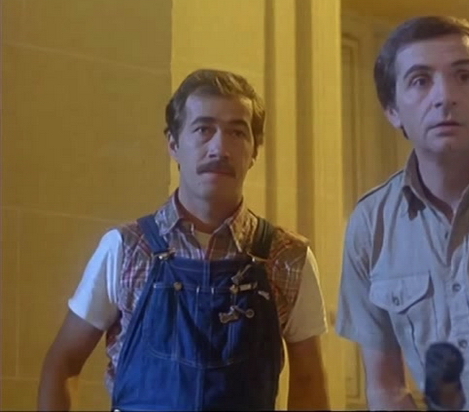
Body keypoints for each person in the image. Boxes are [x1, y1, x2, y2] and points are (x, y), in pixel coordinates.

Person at [38, 69, 331, 411]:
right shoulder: (127, 248)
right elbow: (63, 363)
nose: (220, 147)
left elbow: (309, 380)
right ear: (174, 145)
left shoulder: (288, 257)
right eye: (204, 129)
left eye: (237, 132)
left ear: (254, 151)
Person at [335, 16, 469, 410]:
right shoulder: (371, 224)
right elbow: (385, 386)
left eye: (463, 76)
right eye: (420, 81)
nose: (445, 97)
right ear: (392, 110)